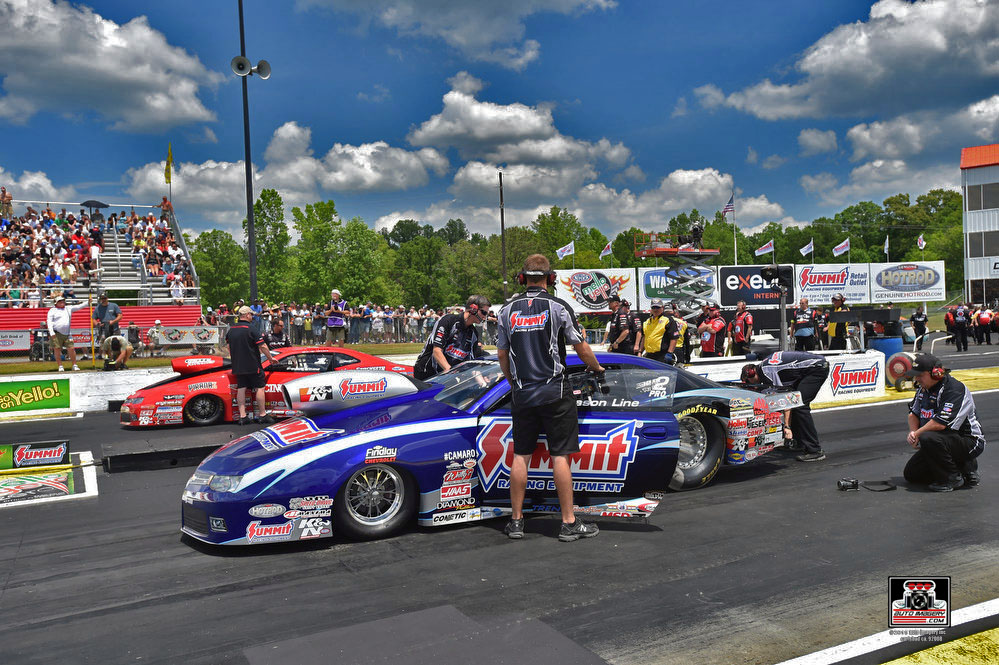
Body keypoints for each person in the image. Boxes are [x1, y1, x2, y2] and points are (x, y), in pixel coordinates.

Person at [496, 254, 604, 542]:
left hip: (523, 392)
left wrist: (513, 382)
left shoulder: (506, 310)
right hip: (555, 392)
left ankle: (516, 521)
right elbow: (581, 347)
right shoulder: (559, 306)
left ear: (522, 278)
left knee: (521, 454)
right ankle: (568, 522)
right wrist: (596, 367)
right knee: (560, 456)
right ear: (550, 278)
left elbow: (502, 354)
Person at [903, 354, 985, 491]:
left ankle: (952, 478)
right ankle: (962, 469)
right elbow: (913, 413)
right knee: (911, 474)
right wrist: (912, 433)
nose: (916, 379)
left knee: (927, 437)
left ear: (936, 374)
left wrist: (917, 434)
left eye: (920, 375)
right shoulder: (923, 389)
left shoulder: (954, 388)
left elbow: (940, 423)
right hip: (942, 439)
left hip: (969, 441)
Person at [741, 350, 830, 462]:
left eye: (749, 382)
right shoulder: (764, 366)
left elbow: (785, 400)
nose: (752, 386)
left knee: (799, 406)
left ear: (752, 374)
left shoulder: (768, 371)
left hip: (816, 368)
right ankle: (799, 443)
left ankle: (815, 450)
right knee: (796, 402)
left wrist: (787, 427)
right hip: (811, 367)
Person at [413, 294, 490, 380]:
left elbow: (470, 362)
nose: (485, 316)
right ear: (473, 309)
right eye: (484, 312)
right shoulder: (448, 321)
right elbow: (437, 351)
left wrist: (483, 383)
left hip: (447, 377)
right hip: (426, 374)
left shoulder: (473, 334)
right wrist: (451, 374)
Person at [226, 305, 276, 425]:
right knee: (260, 387)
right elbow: (262, 346)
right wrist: (270, 358)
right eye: (251, 315)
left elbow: (228, 346)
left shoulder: (231, 329)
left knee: (241, 388)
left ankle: (242, 416)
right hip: (253, 364)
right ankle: (262, 414)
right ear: (247, 315)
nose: (252, 317)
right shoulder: (251, 329)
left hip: (238, 365)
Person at [46, 294, 87, 371]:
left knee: (71, 348)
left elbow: (79, 307)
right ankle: (60, 366)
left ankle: (74, 365)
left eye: (63, 301)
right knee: (57, 349)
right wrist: (51, 333)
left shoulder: (68, 308)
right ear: (56, 303)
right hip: (56, 333)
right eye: (60, 301)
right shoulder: (52, 310)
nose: (62, 302)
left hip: (67, 333)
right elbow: (49, 321)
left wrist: (88, 302)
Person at [641, 298, 679, 364]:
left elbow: (674, 338)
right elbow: (644, 337)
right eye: (654, 307)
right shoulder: (647, 321)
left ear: (662, 307)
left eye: (658, 307)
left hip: (662, 355)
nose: (655, 310)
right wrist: (640, 351)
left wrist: (670, 353)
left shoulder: (668, 320)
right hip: (649, 355)